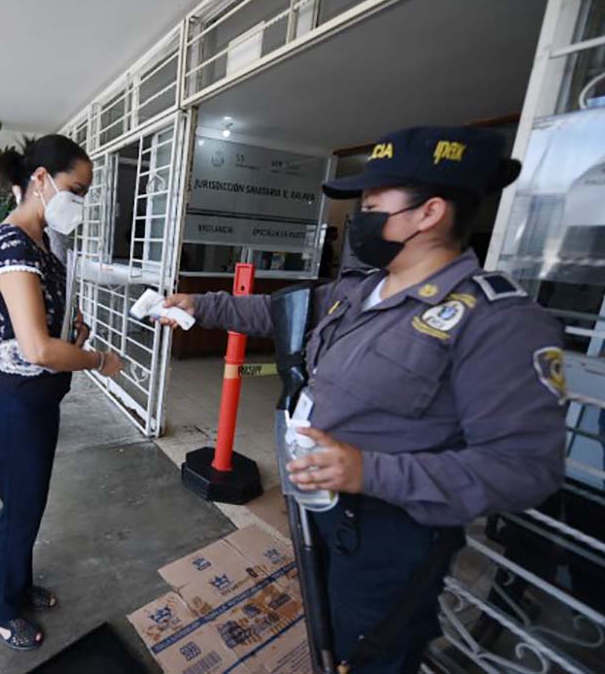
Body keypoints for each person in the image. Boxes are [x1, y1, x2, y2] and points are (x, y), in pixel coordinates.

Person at [157, 126, 567, 673]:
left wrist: (371, 472)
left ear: (429, 213)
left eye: (372, 207)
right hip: (324, 509)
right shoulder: (363, 288)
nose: (360, 220)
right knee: (328, 633)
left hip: (391, 533)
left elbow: (526, 470)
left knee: (370, 654)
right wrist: (200, 304)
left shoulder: (498, 321)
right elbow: (278, 312)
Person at [0, 135, 123, 650]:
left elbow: (48, 331)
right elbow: (37, 349)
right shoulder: (13, 244)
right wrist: (98, 360)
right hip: (15, 397)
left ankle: (17, 585)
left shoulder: (44, 245)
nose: (79, 202)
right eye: (75, 189)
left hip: (38, 397)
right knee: (19, 507)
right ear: (40, 179)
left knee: (30, 502)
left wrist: (72, 334)